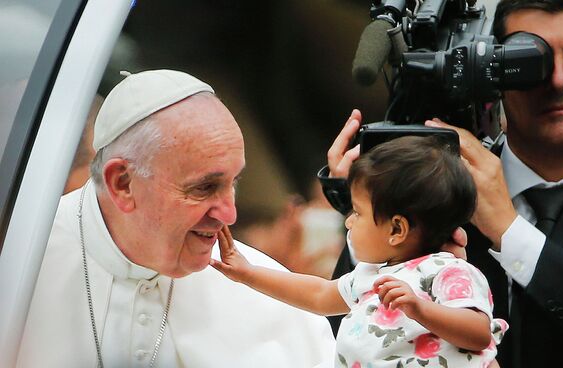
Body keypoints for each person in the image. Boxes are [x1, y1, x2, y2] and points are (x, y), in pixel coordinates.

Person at [327, 0, 563, 367]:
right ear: (495, 73)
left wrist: (511, 234)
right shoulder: (435, 191)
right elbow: (340, 340)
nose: (558, 79)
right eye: (531, 60)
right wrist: (373, 212)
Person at [17, 69, 335, 368]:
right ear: (122, 183)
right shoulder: (17, 260)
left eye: (232, 183)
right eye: (204, 188)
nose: (229, 214)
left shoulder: (281, 307)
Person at [212, 135, 508, 368]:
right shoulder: (370, 274)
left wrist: (420, 309)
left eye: (357, 212)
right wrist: (248, 273)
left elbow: (479, 332)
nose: (349, 220)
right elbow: (318, 295)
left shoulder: (449, 270)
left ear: (396, 230)